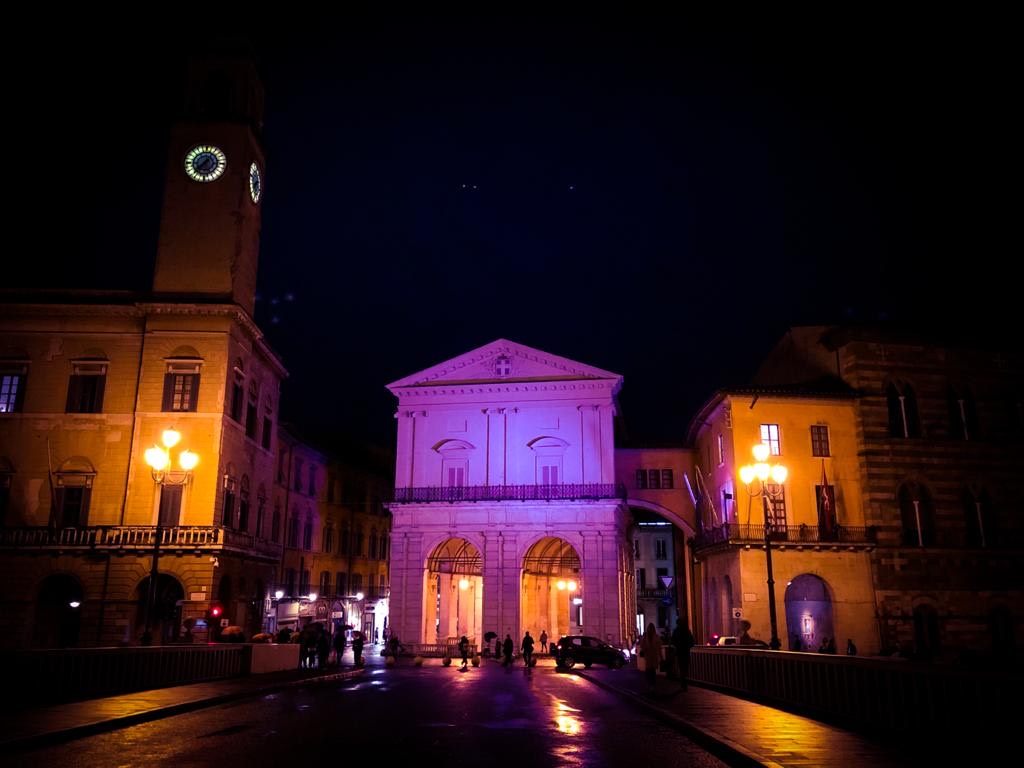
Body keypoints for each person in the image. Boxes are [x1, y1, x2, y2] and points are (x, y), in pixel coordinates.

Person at [640, 623, 663, 693]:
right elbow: (642, 646)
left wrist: (661, 657)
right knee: (649, 671)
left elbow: (659, 647)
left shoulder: (656, 637)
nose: (650, 630)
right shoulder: (646, 637)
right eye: (650, 628)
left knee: (652, 671)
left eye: (651, 628)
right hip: (648, 656)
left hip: (653, 656)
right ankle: (650, 684)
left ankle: (652, 685)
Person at [671, 623, 695, 689]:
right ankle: (684, 682)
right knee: (685, 667)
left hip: (680, 652)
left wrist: (677, 646)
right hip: (686, 652)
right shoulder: (687, 631)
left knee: (681, 668)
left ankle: (683, 683)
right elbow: (692, 642)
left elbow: (672, 641)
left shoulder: (676, 631)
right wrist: (688, 646)